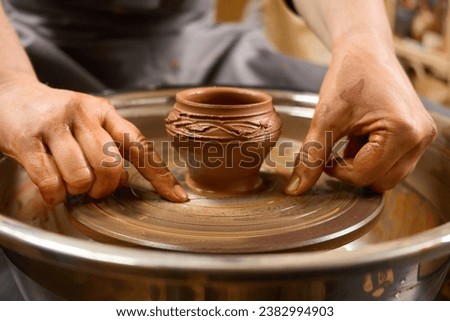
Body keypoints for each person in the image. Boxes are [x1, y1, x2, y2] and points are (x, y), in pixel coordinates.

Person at [0, 0, 438, 299]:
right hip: (40, 53)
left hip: (201, 43)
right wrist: (11, 87)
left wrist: (368, 44)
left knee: (416, 121)